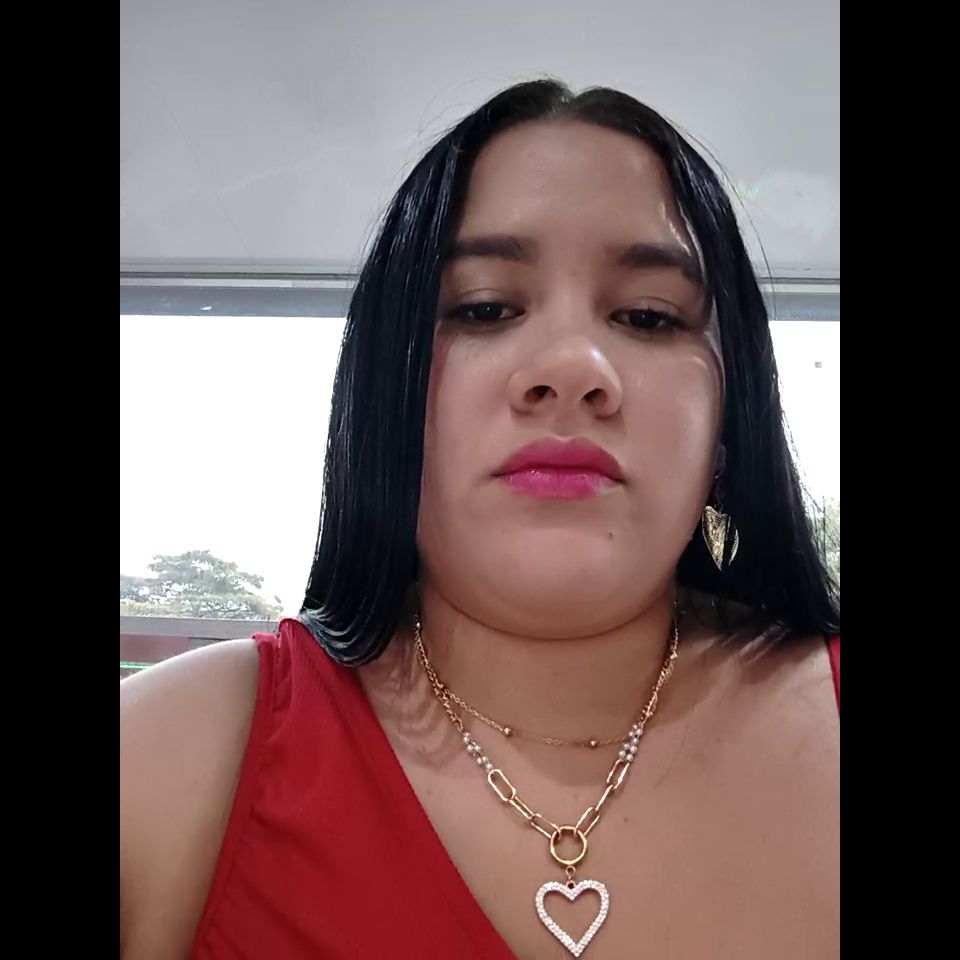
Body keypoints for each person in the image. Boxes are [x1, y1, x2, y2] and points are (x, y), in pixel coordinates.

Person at [120, 79, 839, 959]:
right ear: (385, 393)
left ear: (729, 424)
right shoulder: (172, 759)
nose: (572, 367)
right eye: (485, 308)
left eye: (648, 316)